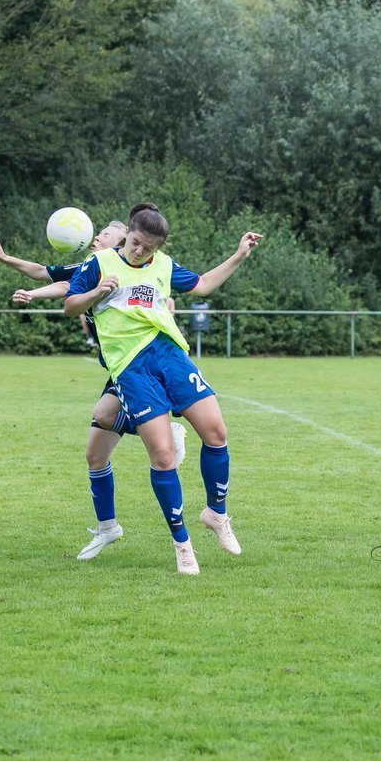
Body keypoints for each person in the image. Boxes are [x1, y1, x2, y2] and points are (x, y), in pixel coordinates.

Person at [65, 203, 262, 574]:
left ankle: (216, 514)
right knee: (163, 456)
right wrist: (96, 294)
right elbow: (70, 306)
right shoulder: (99, 264)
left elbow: (202, 285)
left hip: (168, 352)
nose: (140, 252)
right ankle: (182, 544)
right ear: (129, 232)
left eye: (149, 249)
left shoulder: (164, 265)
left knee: (216, 431)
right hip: (130, 367)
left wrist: (238, 255)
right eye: (136, 244)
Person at [0, 223, 189, 561]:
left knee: (103, 414)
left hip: (136, 364)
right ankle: (108, 527)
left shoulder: (127, 270)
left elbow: (159, 292)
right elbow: (46, 275)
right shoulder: (90, 269)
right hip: (117, 366)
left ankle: (167, 430)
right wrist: (7, 261)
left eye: (104, 234)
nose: (96, 237)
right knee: (95, 455)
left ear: (122, 242)